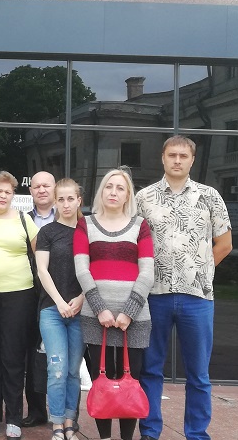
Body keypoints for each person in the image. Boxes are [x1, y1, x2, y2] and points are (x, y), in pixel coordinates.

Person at [136, 136, 232, 440]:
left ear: (192, 160)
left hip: (197, 297)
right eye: (172, 155)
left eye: (183, 156)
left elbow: (225, 243)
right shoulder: (143, 198)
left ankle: (197, 433)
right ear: (163, 158)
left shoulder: (209, 196)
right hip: (154, 296)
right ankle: (150, 431)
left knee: (199, 373)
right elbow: (133, 243)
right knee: (150, 369)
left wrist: (201, 270)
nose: (177, 160)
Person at [75, 168, 154, 440]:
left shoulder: (140, 226)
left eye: (120, 188)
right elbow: (82, 270)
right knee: (103, 381)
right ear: (102, 191)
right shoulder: (85, 224)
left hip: (135, 318)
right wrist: (100, 309)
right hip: (97, 318)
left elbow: (147, 272)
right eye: (109, 186)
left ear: (128, 195)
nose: (113, 192)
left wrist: (129, 312)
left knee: (132, 381)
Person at [0, 171, 39, 440]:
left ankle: (13, 416)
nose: (3, 196)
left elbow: (41, 257)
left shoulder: (25, 220)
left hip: (19, 296)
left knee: (12, 357)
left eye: (8, 192)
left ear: (13, 195)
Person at [35, 179, 86, 440]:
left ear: (79, 201)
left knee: (73, 372)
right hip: (52, 310)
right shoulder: (47, 232)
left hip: (81, 311)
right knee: (56, 369)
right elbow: (42, 270)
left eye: (70, 199)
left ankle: (69, 421)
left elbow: (95, 271)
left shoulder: (89, 232)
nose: (66, 204)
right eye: (61, 199)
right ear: (55, 202)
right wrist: (59, 302)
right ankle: (56, 423)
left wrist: (81, 299)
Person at [22, 171, 57, 427]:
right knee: (31, 353)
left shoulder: (69, 216)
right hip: (30, 293)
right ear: (31, 191)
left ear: (55, 188)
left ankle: (63, 413)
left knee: (61, 355)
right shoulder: (23, 219)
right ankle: (36, 410)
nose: (41, 190)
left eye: (46, 185)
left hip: (61, 294)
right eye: (37, 186)